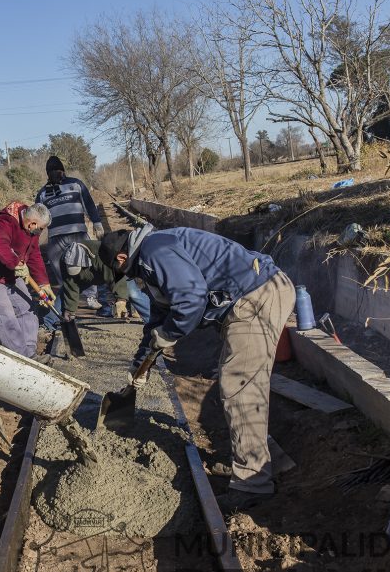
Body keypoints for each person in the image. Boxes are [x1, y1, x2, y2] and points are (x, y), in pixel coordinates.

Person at [97, 225, 296, 509]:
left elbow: (191, 299)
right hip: (253, 296)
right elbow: (158, 321)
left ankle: (253, 484)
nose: (131, 278)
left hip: (257, 295)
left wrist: (169, 334)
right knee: (240, 387)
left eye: (126, 272)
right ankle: (269, 460)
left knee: (239, 387)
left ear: (121, 258)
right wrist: (140, 363)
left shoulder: (155, 251)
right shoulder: (156, 254)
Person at [0, 202, 53, 361]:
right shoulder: (4, 222)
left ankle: (30, 354)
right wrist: (16, 262)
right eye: (41, 228)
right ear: (32, 223)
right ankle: (20, 358)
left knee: (27, 309)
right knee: (6, 316)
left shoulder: (32, 231)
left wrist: (44, 283)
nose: (40, 232)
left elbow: (35, 255)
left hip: (11, 276)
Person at [35, 155, 104, 310]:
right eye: (51, 171)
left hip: (78, 232)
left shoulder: (75, 184)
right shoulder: (42, 193)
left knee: (87, 263)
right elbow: (37, 216)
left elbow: (89, 204)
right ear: (47, 173)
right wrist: (33, 237)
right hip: (55, 237)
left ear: (63, 170)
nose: (55, 173)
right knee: (59, 268)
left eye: (57, 170)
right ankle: (67, 296)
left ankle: (91, 296)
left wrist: (97, 223)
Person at [56, 240, 150, 324]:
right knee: (64, 294)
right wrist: (70, 310)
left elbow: (117, 277)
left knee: (133, 293)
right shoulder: (65, 260)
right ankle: (50, 324)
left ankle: (152, 320)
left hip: (112, 271)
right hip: (87, 276)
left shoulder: (102, 254)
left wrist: (121, 299)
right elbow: (70, 287)